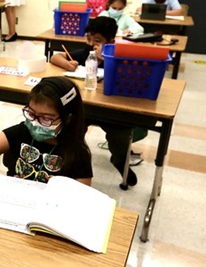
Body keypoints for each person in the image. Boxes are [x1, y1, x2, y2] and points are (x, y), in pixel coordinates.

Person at [50, 16, 140, 187]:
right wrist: (67, 64)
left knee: (120, 140)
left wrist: (107, 59)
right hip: (86, 106)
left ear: (111, 41)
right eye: (89, 38)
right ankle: (71, 163)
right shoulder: (86, 52)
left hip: (114, 110)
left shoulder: (119, 55)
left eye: (97, 40)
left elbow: (131, 77)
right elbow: (56, 57)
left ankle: (120, 162)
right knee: (71, 129)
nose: (92, 44)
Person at [0, 77, 92, 191]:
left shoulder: (78, 154)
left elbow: (80, 198)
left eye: (46, 118)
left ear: (68, 118)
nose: (35, 123)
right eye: (32, 114)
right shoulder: (21, 132)